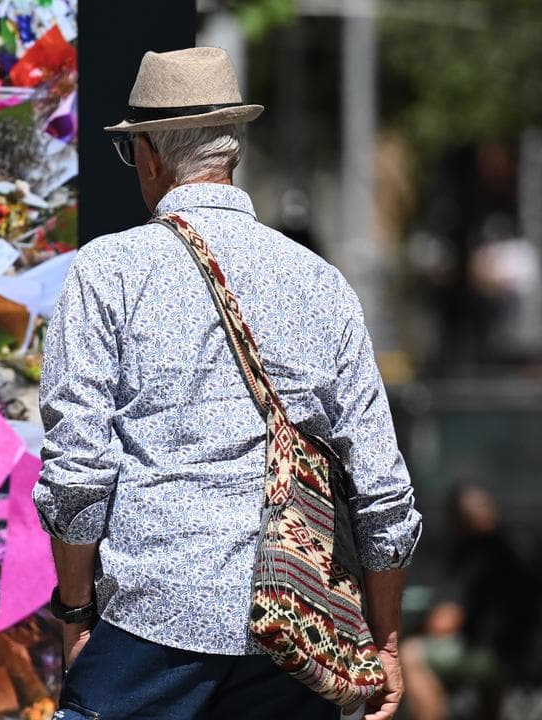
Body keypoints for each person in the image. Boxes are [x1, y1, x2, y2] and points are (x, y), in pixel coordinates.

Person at [32, 47, 423, 720]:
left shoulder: (109, 272)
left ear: (150, 157)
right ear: (231, 152)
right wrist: (385, 641)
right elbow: (384, 492)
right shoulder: (319, 283)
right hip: (295, 631)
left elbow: (79, 476)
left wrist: (75, 614)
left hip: (152, 622)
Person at [401, 484, 541, 720]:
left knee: (411, 655)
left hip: (505, 656)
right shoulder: (520, 543)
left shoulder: (474, 553)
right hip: (525, 652)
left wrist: (406, 631)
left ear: (456, 521)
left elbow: (446, 621)